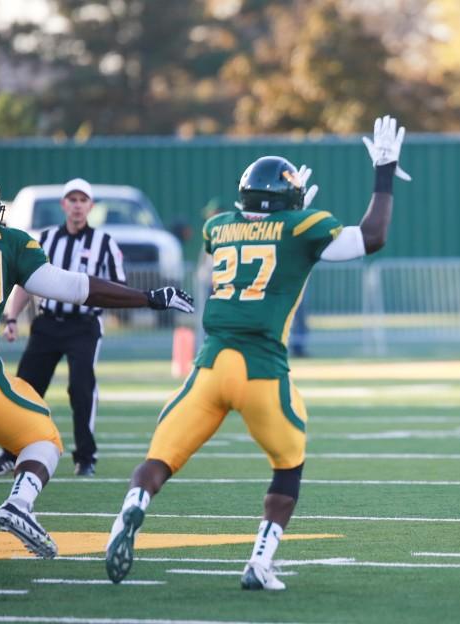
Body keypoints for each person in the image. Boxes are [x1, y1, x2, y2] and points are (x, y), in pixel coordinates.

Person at [104, 114, 409, 589]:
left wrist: (286, 213)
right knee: (288, 466)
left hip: (209, 365)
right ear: (290, 202)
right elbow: (372, 236)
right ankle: (260, 563)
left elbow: (260, 232)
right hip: (261, 369)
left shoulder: (219, 227)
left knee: (160, 458)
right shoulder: (302, 224)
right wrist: (384, 172)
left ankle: (133, 507)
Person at [0, 170, 193, 583]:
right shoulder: (8, 241)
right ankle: (19, 503)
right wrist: (147, 298)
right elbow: (73, 287)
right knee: (43, 439)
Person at [0, 178, 127, 478]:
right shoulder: (44, 239)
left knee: (81, 389)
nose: (77, 205)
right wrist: (11, 318)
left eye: (82, 200)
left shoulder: (105, 243)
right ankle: (10, 453)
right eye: (71, 199)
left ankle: (86, 457)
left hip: (84, 326)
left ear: (90, 206)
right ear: (63, 204)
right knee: (25, 388)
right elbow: (25, 282)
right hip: (47, 324)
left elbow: (117, 286)